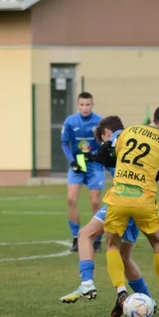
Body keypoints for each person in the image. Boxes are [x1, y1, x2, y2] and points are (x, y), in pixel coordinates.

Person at [101, 102, 159, 317]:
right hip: (144, 200)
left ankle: (121, 292)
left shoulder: (128, 131)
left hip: (118, 196)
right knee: (158, 243)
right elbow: (158, 173)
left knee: (111, 244)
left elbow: (116, 156)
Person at [59, 115, 152, 304]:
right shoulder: (131, 142)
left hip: (121, 201)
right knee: (124, 256)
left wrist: (86, 157)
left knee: (86, 235)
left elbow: (103, 153)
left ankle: (89, 284)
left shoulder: (112, 143)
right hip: (142, 202)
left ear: (107, 132)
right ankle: (150, 301)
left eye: (102, 138)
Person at [61, 91, 105, 253]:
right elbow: (65, 144)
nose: (85, 108)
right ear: (77, 105)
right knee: (71, 198)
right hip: (77, 164)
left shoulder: (100, 121)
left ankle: (97, 239)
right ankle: (75, 238)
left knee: (94, 201)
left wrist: (96, 155)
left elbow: (106, 143)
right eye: (82, 104)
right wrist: (73, 161)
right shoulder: (70, 122)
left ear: (92, 105)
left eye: (88, 104)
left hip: (94, 165)